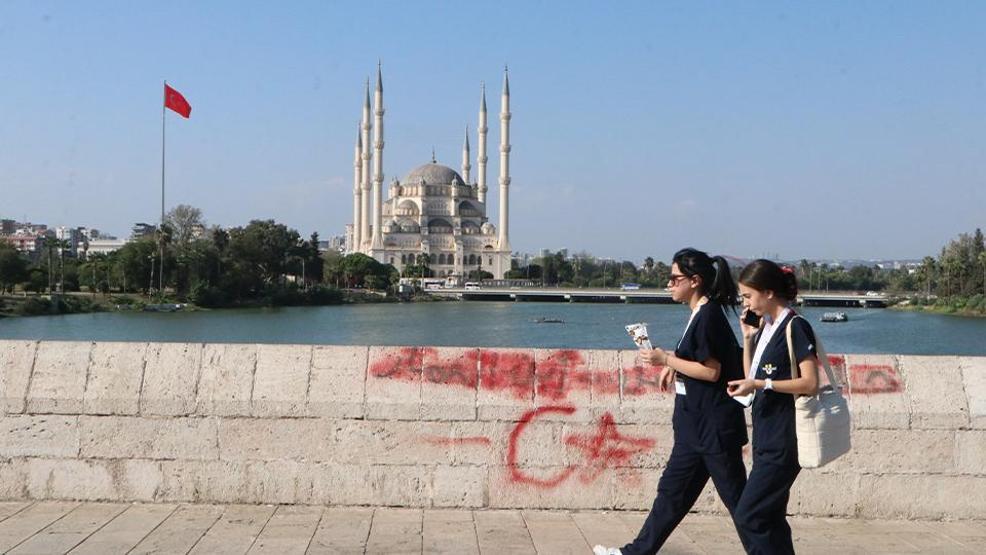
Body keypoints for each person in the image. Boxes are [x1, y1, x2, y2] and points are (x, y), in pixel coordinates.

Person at [594, 248, 748, 555]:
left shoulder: (708, 316)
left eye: (675, 278)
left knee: (742, 506)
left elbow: (711, 371)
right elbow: (697, 358)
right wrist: (673, 363)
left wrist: (666, 359)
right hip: (695, 429)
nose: (669, 284)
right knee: (671, 496)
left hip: (712, 431)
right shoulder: (700, 314)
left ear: (695, 281)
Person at [727, 259, 820, 554]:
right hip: (765, 436)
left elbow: (810, 382)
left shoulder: (795, 327)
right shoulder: (766, 328)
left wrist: (763, 384)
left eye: (748, 296)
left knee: (749, 515)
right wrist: (748, 339)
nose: (745, 303)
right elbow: (751, 378)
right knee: (771, 518)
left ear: (768, 293)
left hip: (785, 438)